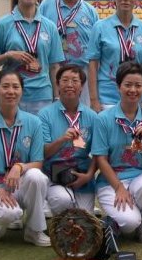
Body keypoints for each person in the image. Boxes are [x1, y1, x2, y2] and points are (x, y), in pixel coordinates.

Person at [0, 69, 50, 246]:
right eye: (5, 86)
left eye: (15, 87)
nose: (10, 91)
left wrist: (19, 167)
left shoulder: (33, 122)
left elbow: (38, 162)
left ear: (22, 91)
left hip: (20, 183)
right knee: (9, 215)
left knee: (37, 177)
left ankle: (34, 231)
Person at [91, 62, 142, 244]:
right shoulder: (103, 119)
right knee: (130, 222)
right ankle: (129, 221)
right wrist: (119, 187)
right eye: (128, 85)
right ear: (118, 87)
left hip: (140, 177)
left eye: (138, 85)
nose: (133, 90)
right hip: (111, 181)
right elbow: (101, 159)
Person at [0, 0, 64, 115]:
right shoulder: (3, 24)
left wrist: (57, 96)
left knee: (40, 137)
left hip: (42, 96)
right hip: (12, 94)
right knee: (10, 137)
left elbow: (55, 66)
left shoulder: (50, 26)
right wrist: (8, 55)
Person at [87, 0, 142, 113]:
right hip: (107, 98)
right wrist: (94, 100)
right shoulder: (100, 27)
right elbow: (93, 65)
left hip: (136, 98)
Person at [39, 0, 99, 106]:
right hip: (52, 73)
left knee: (81, 121)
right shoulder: (45, 7)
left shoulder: (91, 12)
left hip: (81, 74)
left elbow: (96, 50)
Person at [38, 64, 98, 215]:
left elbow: (99, 153)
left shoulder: (93, 117)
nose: (70, 85)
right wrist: (61, 140)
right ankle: (48, 200)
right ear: (57, 84)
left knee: (84, 216)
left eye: (75, 81)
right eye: (64, 80)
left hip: (82, 175)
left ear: (82, 86)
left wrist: (89, 176)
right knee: (63, 201)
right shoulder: (45, 115)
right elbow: (42, 153)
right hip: (55, 175)